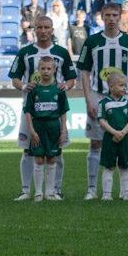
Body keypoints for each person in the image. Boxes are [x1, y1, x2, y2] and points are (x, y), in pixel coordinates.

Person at [77, 1, 128, 200]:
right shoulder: (92, 41)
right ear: (102, 17)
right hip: (99, 96)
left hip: (124, 100)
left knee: (125, 143)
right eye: (108, 15)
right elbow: (85, 71)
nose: (112, 19)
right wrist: (88, 99)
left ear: (120, 17)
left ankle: (125, 190)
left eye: (115, 15)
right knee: (96, 143)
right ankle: (92, 189)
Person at [10, 16, 77, 201]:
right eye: (39, 27)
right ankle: (26, 190)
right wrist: (23, 86)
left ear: (52, 29)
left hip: (54, 111)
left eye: (47, 27)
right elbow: (14, 77)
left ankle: (55, 189)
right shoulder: (25, 52)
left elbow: (71, 78)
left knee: (57, 150)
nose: (43, 31)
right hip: (31, 110)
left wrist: (66, 86)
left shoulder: (61, 52)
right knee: (27, 149)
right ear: (35, 30)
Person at [20, 58, 70, 202]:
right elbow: (28, 111)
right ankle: (38, 193)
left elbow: (63, 112)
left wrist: (63, 131)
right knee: (39, 158)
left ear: (54, 70)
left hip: (53, 127)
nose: (46, 71)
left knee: (52, 158)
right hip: (38, 126)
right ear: (38, 70)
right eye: (43, 68)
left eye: (49, 69)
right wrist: (32, 131)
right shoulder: (33, 90)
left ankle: (50, 192)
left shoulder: (59, 90)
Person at [96, 71, 128, 202]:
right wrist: (114, 132)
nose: (124, 88)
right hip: (110, 139)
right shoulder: (103, 103)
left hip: (125, 138)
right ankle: (106, 194)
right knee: (109, 166)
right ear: (111, 86)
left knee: (125, 165)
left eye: (125, 85)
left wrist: (123, 133)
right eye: (121, 85)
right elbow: (101, 120)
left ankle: (126, 193)